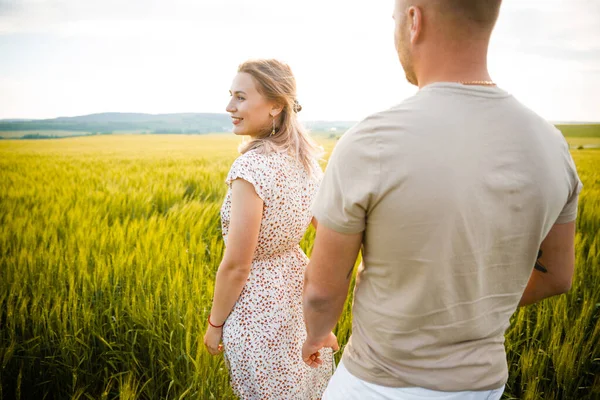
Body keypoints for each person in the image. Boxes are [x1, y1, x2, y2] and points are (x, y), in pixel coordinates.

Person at [302, 1, 582, 399]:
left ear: (414, 20)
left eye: (395, 18)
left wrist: (317, 335)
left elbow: (321, 291)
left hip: (376, 386)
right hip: (485, 388)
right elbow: (558, 276)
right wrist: (468, 304)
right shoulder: (552, 145)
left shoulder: (372, 141)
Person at [203, 59, 336, 399]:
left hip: (257, 313)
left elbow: (237, 265)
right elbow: (330, 232)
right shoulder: (304, 160)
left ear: (276, 105)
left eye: (241, 97)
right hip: (299, 302)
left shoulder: (251, 167)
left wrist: (215, 325)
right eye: (231, 96)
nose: (230, 107)